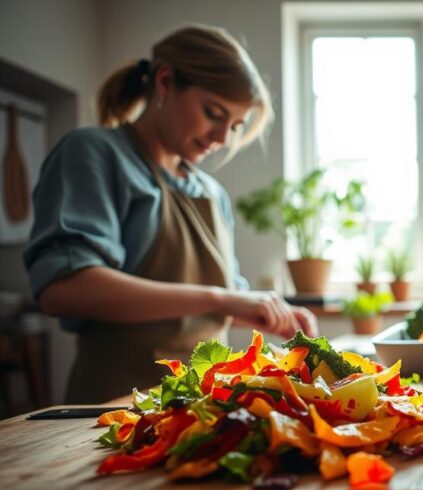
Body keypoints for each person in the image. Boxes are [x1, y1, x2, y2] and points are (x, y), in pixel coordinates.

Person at [23, 25, 316, 403]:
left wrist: (267, 310)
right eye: (213, 113)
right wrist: (219, 299)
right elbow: (63, 290)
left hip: (206, 406)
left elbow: (218, 301)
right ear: (164, 82)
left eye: (235, 126)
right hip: (117, 408)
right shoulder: (93, 153)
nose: (222, 138)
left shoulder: (212, 193)